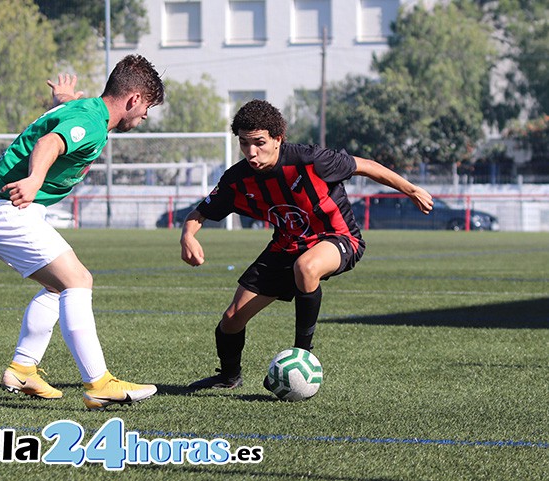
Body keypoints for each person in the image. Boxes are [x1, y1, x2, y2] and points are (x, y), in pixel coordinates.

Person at [180, 99, 433, 390]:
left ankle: (302, 356)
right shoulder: (238, 179)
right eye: (244, 143)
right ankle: (228, 377)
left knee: (307, 266)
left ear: (278, 139)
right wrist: (188, 235)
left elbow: (366, 166)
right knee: (231, 320)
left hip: (338, 238)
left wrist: (411, 189)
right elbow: (199, 212)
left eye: (259, 142)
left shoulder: (311, 161)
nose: (251, 152)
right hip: (285, 246)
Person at [0, 55, 165, 410]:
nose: (145, 116)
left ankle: (23, 367)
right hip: (6, 209)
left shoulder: (86, 111)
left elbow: (62, 124)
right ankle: (99, 383)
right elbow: (50, 144)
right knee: (78, 281)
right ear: (133, 99)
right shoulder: (90, 121)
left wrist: (62, 100)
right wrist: (34, 180)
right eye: (147, 106)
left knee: (58, 285)